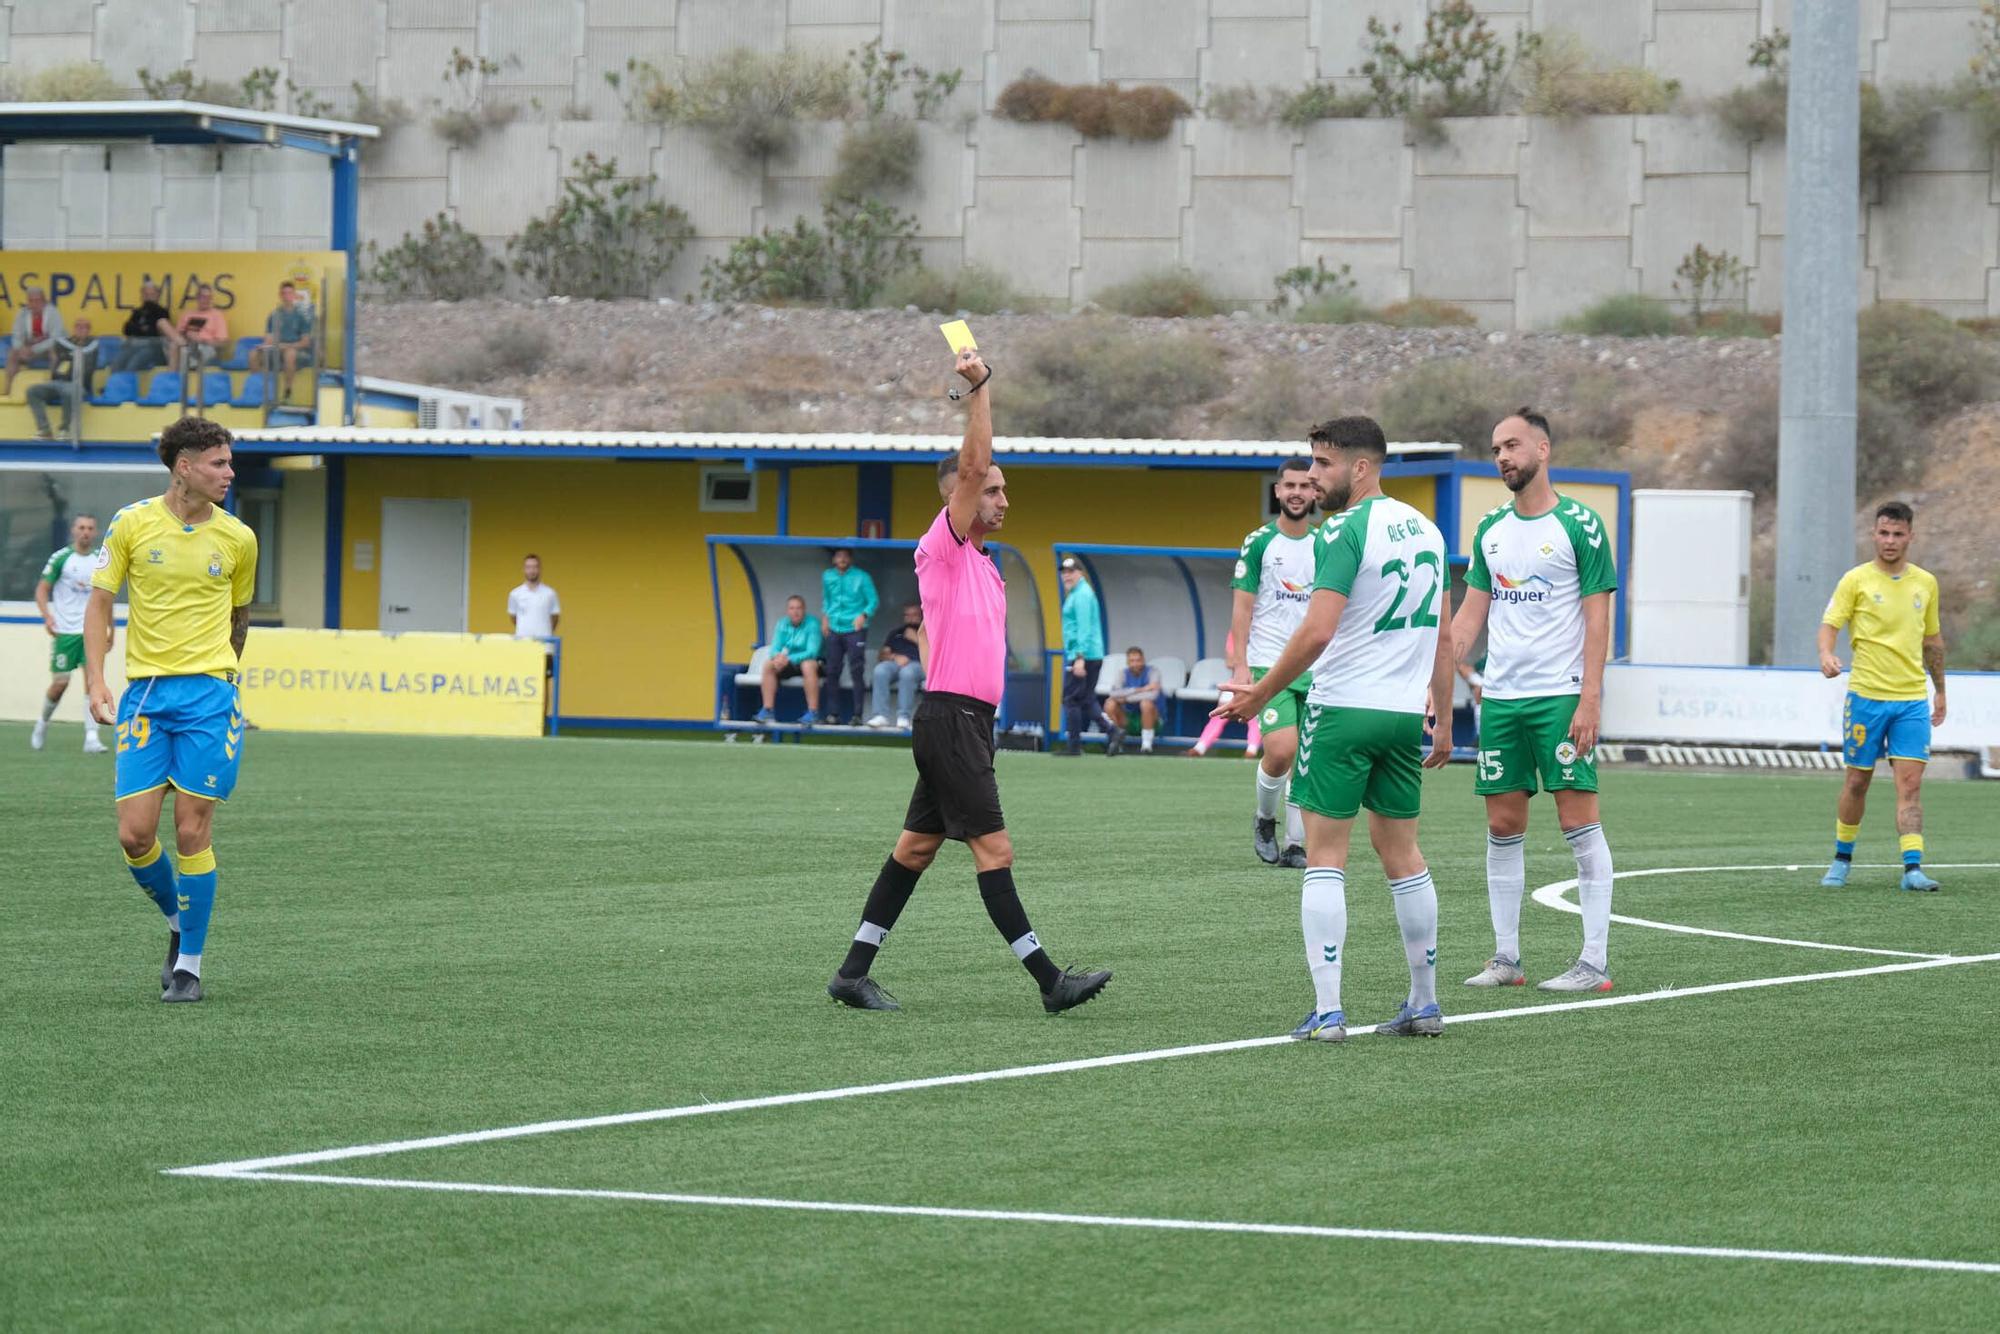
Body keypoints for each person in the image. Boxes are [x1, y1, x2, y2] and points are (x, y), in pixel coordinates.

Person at [826, 345, 1109, 1015]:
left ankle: (851, 972)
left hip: (961, 723)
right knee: (994, 848)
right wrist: (980, 390)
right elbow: (973, 459)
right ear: (960, 493)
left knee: (916, 848)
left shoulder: (980, 563)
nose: (1003, 496)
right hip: (952, 721)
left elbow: (936, 636)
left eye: (1003, 488)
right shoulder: (944, 545)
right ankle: (1049, 982)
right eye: (992, 488)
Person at [1216, 416, 1455, 1043]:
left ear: (1360, 467)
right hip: (1404, 717)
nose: (1312, 477)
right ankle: (1424, 1004)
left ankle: (1328, 1012)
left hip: (1343, 709)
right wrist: (1446, 721)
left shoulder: (1345, 530)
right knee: (1403, 855)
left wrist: (1261, 692)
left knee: (1325, 858)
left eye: (1322, 464)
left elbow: (1319, 631)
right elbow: (1445, 637)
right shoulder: (1428, 530)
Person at [84, 418, 258, 1004]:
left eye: (230, 462)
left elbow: (239, 617)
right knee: (135, 836)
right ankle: (179, 920)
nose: (229, 473)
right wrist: (95, 680)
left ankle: (190, 965)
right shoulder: (132, 523)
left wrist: (225, 682)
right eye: (218, 463)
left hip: (209, 696)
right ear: (183, 466)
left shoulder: (239, 538)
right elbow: (100, 603)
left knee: (190, 828)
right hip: (146, 697)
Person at [1450, 408, 1621, 994]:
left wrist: (1591, 697)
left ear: (1543, 450)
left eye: (1513, 445)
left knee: (1578, 819)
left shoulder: (1580, 524)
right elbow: (1473, 612)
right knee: (1501, 822)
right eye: (1496, 447)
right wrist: (1436, 667)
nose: (1503, 456)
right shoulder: (1490, 529)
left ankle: (1593, 963)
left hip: (1561, 696)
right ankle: (1506, 958)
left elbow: (1599, 615)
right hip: (1501, 699)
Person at [1817, 501, 1947, 893]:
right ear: (1874, 534)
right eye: (1884, 533)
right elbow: (1830, 624)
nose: (1890, 541)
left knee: (1910, 785)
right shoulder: (1855, 580)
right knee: (1857, 782)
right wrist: (1826, 653)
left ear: (1910, 536)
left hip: (1910, 699)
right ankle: (1841, 859)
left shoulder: (1925, 583)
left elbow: (1933, 641)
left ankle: (1912, 868)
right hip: (1866, 698)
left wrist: (1941, 690)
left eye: (1898, 534)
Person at [1228, 457, 1320, 866]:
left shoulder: (1327, 543)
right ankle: (1265, 819)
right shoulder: (1260, 542)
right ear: (1278, 491)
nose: (1298, 492)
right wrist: (1241, 666)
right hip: (1269, 665)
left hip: (1317, 667)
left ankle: (1297, 845)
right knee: (1282, 750)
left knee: (1308, 757)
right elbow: (1242, 608)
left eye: (1306, 485)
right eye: (1290, 486)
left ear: (1315, 492)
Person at [31, 514, 110, 755]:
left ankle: (91, 737)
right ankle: (42, 723)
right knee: (60, 684)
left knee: (92, 681)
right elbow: (42, 590)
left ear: (95, 532)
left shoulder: (100, 559)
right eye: (81, 527)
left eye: (90, 528)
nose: (85, 532)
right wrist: (47, 616)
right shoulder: (61, 558)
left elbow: (106, 597)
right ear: (74, 531)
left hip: (91, 631)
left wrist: (111, 629)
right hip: (65, 631)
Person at [1057, 556, 1119, 757]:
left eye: (1071, 571)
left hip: (1083, 655)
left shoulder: (1081, 595)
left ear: (1080, 573)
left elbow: (1083, 628)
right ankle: (1112, 731)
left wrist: (1079, 657)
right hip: (1089, 654)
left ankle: (1074, 746)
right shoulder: (1077, 593)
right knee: (1085, 699)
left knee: (1071, 699)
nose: (1067, 575)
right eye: (1064, 572)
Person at [820, 546, 879, 725]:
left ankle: (857, 715)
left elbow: (873, 600)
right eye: (839, 556)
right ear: (834, 559)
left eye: (846, 556)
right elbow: (827, 600)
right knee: (831, 671)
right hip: (834, 628)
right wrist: (825, 618)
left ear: (851, 559)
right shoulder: (827, 576)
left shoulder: (862, 577)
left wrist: (864, 615)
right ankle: (833, 714)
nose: (842, 559)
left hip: (855, 628)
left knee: (856, 671)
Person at [1186, 631, 1261, 759]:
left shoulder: (1265, 632)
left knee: (1255, 717)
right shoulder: (1235, 633)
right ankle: (1200, 747)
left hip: (1259, 681)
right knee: (1220, 714)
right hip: (1237, 680)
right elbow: (1230, 662)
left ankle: (1252, 750)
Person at [753, 595, 823, 724]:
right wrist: (777, 658)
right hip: (789, 663)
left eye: (798, 608)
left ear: (804, 610)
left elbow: (812, 652)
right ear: (787, 611)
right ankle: (768, 709)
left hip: (814, 662)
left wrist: (788, 658)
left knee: (807, 665)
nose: (795, 612)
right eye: (792, 608)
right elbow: (775, 648)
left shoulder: (813, 623)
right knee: (769, 664)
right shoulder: (782, 623)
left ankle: (813, 712)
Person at [26, 318, 99, 440]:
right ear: (73, 329)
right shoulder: (63, 342)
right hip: (57, 382)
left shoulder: (92, 345)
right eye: (78, 327)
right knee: (32, 391)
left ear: (89, 330)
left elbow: (86, 368)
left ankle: (64, 429)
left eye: (84, 327)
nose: (81, 330)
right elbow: (57, 360)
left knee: (68, 391)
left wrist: (67, 356)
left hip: (79, 385)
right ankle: (44, 430)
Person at [249, 280, 314, 401]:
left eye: (289, 293)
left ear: (294, 295)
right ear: (280, 295)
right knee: (253, 354)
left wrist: (287, 345)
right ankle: (258, 389)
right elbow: (269, 338)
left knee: (290, 353)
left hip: (297, 352)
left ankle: (287, 391)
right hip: (277, 349)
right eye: (284, 293)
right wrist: (264, 346)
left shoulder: (302, 315)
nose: (287, 296)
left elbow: (306, 342)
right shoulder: (274, 315)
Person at [866, 603, 926, 729]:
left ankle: (903, 717)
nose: (910, 618)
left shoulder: (928, 631)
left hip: (919, 665)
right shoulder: (896, 633)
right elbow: (882, 655)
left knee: (907, 673)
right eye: (907, 615)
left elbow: (934, 654)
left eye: (914, 615)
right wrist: (894, 657)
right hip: (896, 663)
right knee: (880, 670)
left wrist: (916, 638)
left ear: (921, 616)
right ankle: (880, 715)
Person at [5, 287, 66, 395]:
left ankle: (51, 389)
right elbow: (16, 336)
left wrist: (33, 349)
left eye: (37, 300)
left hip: (47, 350)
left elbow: (56, 339)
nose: (34, 304)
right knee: (12, 353)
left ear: (44, 301)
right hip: (28, 350)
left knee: (54, 351)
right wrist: (21, 348)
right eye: (31, 300)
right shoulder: (22, 314)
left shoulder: (53, 313)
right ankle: (9, 391)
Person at [1103, 646, 1163, 754]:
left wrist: (1125, 698)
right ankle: (1117, 742)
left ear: (1143, 660)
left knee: (1146, 703)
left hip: (1152, 719)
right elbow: (1113, 693)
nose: (1135, 664)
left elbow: (1152, 695)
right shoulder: (1122, 673)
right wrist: (1141, 689)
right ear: (1127, 662)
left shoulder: (1153, 672)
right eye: (1132, 661)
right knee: (1110, 703)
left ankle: (1146, 745)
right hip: (1127, 719)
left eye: (1138, 660)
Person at [111, 281, 174, 374]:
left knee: (133, 364)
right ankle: (114, 386)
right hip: (134, 347)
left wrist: (138, 329)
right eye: (146, 294)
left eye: (151, 294)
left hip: (153, 349)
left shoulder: (162, 312)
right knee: (117, 362)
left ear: (157, 295)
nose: (148, 297)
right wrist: (142, 329)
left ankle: (128, 387)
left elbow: (153, 332)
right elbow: (127, 329)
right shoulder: (138, 312)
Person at [168, 283, 229, 373]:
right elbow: (177, 335)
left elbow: (223, 343)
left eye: (209, 297)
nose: (206, 300)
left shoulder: (217, 315)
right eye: (203, 297)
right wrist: (186, 335)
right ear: (197, 297)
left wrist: (201, 340)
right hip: (185, 345)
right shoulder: (187, 315)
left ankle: (174, 379)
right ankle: (174, 378)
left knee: (177, 347)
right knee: (163, 325)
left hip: (204, 347)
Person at [507, 554, 561, 642]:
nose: (532, 571)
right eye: (528, 567)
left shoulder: (550, 593)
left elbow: (555, 617)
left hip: (545, 642)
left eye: (535, 567)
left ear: (540, 569)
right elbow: (513, 618)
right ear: (524, 570)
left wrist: (546, 631)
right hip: (523, 642)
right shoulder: (515, 594)